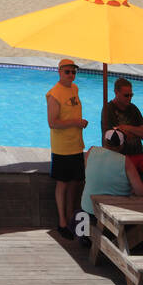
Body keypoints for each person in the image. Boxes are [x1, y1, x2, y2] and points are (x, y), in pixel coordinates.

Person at [100, 76, 143, 192]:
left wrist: (127, 128)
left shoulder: (133, 108)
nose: (129, 98)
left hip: (138, 153)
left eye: (131, 95)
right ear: (116, 93)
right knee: (130, 185)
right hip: (121, 156)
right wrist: (136, 132)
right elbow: (114, 137)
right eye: (126, 95)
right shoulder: (108, 109)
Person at [46, 59, 87, 239]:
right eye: (67, 72)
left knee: (74, 183)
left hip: (76, 144)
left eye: (73, 72)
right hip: (62, 147)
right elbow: (52, 123)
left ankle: (71, 217)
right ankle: (62, 222)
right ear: (59, 72)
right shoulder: (54, 94)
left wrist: (78, 123)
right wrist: (75, 122)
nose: (71, 75)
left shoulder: (74, 89)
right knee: (62, 184)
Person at [81, 130, 143, 224]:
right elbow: (141, 191)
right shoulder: (125, 161)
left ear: (105, 141)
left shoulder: (91, 151)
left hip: (88, 209)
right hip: (113, 215)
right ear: (121, 145)